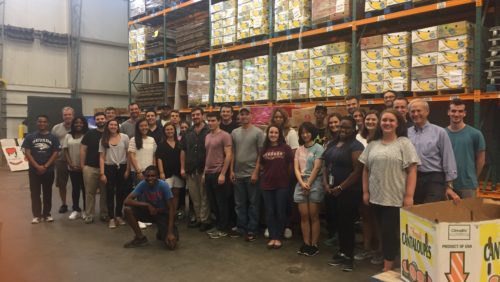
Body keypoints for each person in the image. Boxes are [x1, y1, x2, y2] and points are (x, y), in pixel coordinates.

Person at [359, 109, 420, 271]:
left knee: (389, 233)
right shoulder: (372, 144)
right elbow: (365, 170)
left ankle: (388, 267)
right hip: (376, 196)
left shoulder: (404, 143)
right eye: (384, 120)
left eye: (391, 120)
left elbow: (412, 170)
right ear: (380, 123)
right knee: (382, 230)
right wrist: (366, 192)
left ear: (398, 124)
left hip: (395, 198)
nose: (387, 123)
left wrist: (409, 196)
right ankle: (388, 261)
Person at [322, 116, 364, 272]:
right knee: (338, 224)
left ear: (354, 129)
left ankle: (349, 257)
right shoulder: (333, 143)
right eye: (341, 127)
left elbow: (357, 171)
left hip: (348, 193)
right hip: (332, 191)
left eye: (347, 128)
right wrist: (326, 184)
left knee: (347, 225)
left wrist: (340, 187)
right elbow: (326, 165)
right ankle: (341, 251)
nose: (343, 130)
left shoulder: (356, 146)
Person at [408, 99, 459, 204]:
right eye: (412, 111)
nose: (416, 114)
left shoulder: (440, 132)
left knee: (429, 211)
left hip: (434, 179)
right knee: (415, 212)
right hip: (413, 179)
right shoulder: (407, 133)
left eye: (419, 110)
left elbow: (448, 158)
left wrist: (449, 186)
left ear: (427, 112)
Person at [230, 107, 265, 241]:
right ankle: (241, 227)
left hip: (251, 174)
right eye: (242, 114)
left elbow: (260, 154)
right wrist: (231, 170)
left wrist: (256, 172)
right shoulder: (234, 132)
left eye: (246, 114)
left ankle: (252, 229)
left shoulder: (258, 132)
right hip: (238, 174)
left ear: (251, 116)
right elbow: (232, 152)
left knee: (253, 203)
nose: (244, 117)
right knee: (239, 203)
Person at [122, 166, 177, 249]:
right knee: (127, 210)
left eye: (153, 176)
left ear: (157, 177)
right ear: (145, 177)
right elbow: (127, 201)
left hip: (162, 214)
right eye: (148, 176)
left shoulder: (164, 186)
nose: (150, 178)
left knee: (171, 245)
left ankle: (162, 231)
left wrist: (170, 232)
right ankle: (140, 238)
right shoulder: (143, 184)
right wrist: (147, 205)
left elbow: (171, 209)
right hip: (149, 212)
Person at [355, 110, 383, 265]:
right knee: (366, 217)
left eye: (374, 119)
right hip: (361, 181)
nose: (370, 122)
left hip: (379, 182)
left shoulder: (383, 137)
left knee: (378, 218)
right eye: (368, 119)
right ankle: (366, 248)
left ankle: (379, 250)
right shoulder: (359, 136)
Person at [259, 125, 294, 249]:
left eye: (275, 132)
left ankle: (278, 237)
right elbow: (262, 166)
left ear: (279, 135)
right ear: (267, 134)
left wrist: (286, 178)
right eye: (271, 132)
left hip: (282, 185)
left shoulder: (286, 148)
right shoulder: (264, 149)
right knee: (269, 212)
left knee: (280, 211)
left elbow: (291, 165)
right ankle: (272, 236)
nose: (273, 134)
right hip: (267, 185)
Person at [22, 115, 61, 223]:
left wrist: (45, 166)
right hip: (34, 170)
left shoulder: (53, 138)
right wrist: (37, 166)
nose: (42, 123)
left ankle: (47, 214)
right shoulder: (30, 137)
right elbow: (27, 153)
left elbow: (56, 153)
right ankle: (36, 215)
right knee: (35, 193)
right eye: (40, 121)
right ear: (37, 123)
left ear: (48, 123)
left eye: (44, 122)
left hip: (48, 170)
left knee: (47, 192)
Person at [294, 122, 324, 257]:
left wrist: (309, 184)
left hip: (315, 183)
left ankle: (314, 244)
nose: (305, 135)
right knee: (304, 216)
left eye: (307, 132)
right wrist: (302, 183)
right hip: (301, 184)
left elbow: (317, 167)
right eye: (302, 132)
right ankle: (306, 243)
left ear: (312, 132)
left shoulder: (318, 148)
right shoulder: (299, 149)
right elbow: (296, 168)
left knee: (314, 216)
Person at [445, 99, 486, 199]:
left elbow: (481, 159)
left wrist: (472, 178)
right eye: (453, 111)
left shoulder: (475, 134)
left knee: (468, 214)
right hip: (447, 186)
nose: (456, 114)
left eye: (460, 111)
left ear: (465, 113)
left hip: (468, 185)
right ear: (448, 112)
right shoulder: (442, 134)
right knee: (447, 214)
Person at [269, 108, 299, 239]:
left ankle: (288, 226)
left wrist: (290, 172)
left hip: (287, 173)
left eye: (281, 117)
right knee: (274, 201)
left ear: (285, 118)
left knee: (287, 201)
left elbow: (294, 154)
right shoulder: (271, 131)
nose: (278, 119)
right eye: (276, 117)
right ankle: (273, 226)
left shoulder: (290, 132)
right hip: (273, 173)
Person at [180, 107, 212, 231]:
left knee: (204, 196)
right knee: (194, 196)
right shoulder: (188, 132)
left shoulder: (209, 131)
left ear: (203, 116)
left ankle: (206, 220)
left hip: (204, 169)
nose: (195, 117)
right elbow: (183, 150)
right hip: (190, 169)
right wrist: (182, 168)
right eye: (193, 115)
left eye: (198, 115)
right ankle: (199, 219)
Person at [203, 112, 232, 239]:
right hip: (208, 173)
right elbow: (207, 155)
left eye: (213, 120)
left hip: (218, 173)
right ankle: (218, 225)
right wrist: (204, 172)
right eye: (209, 120)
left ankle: (223, 228)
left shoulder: (225, 136)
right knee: (213, 203)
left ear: (219, 121)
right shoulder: (207, 136)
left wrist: (223, 174)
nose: (210, 123)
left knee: (222, 202)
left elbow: (229, 155)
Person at [99, 119, 130, 229]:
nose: (113, 126)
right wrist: (102, 173)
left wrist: (127, 169)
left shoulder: (125, 137)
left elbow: (128, 154)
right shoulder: (104, 139)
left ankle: (119, 215)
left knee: (121, 192)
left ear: (118, 126)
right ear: (107, 126)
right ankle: (111, 217)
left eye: (115, 125)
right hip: (109, 168)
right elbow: (102, 157)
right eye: (111, 125)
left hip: (122, 167)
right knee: (110, 192)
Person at [81, 112, 108, 223]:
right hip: (90, 168)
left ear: (105, 119)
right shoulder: (89, 134)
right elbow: (83, 150)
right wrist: (83, 166)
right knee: (90, 192)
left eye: (102, 118)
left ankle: (104, 214)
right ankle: (89, 215)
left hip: (106, 168)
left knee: (104, 192)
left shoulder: (109, 134)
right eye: (98, 119)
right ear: (94, 121)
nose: (100, 120)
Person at [322, 112, 342, 247]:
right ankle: (333, 234)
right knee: (331, 209)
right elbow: (324, 163)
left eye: (336, 122)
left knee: (341, 211)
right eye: (331, 123)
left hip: (342, 181)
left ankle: (340, 237)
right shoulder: (327, 141)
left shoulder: (346, 141)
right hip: (329, 179)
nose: (333, 125)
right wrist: (325, 183)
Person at [157, 122, 184, 220]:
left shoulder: (180, 143)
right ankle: (167, 213)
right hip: (166, 173)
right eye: (167, 130)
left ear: (175, 130)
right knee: (167, 195)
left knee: (176, 194)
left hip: (178, 173)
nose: (169, 131)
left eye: (171, 129)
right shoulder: (161, 145)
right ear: (164, 131)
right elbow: (159, 159)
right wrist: (161, 172)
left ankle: (174, 212)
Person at [63, 116, 89, 220]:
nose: (78, 124)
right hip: (72, 168)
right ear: (73, 124)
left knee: (85, 189)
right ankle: (76, 209)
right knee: (75, 189)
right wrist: (70, 164)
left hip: (85, 167)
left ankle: (86, 210)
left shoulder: (87, 135)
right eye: (76, 122)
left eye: (81, 122)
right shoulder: (68, 136)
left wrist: (83, 165)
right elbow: (65, 150)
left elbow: (90, 151)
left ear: (84, 124)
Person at [51, 106, 75, 214]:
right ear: (62, 116)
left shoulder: (78, 126)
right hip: (61, 160)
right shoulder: (56, 128)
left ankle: (76, 206)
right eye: (65, 115)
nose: (67, 116)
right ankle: (64, 204)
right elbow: (52, 144)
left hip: (76, 160)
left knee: (77, 184)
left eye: (69, 114)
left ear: (73, 115)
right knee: (61, 184)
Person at [129, 118, 157, 187]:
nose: (144, 127)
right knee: (141, 195)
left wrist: (154, 170)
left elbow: (153, 155)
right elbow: (131, 156)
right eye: (141, 126)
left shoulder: (152, 139)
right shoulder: (133, 139)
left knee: (150, 194)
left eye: (146, 125)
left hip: (150, 172)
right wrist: (138, 171)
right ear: (138, 128)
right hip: (138, 172)